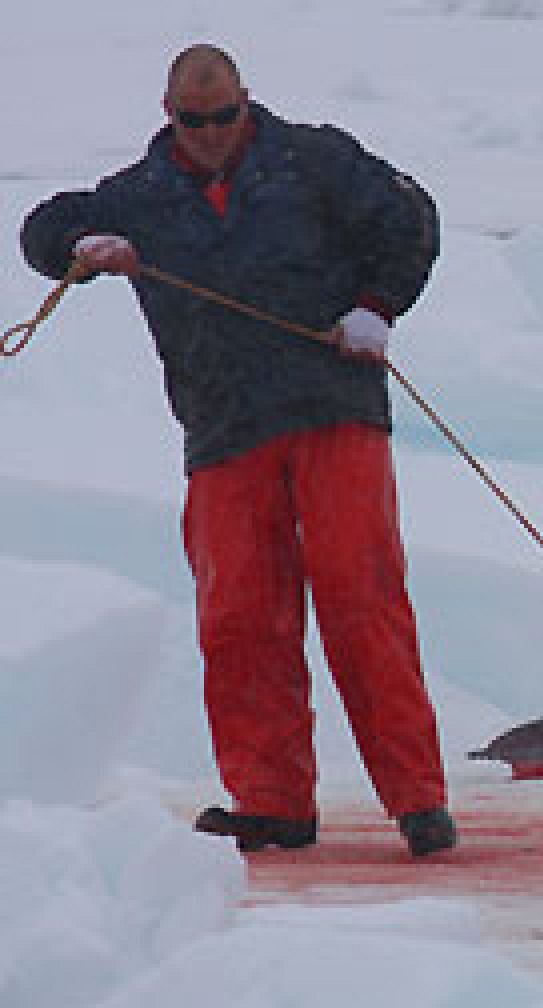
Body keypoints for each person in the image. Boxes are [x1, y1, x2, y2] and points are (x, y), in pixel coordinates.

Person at [19, 44, 457, 857]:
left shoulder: (316, 160)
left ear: (246, 103)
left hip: (332, 410)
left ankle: (418, 801)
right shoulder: (139, 197)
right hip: (224, 432)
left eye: (225, 116)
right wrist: (86, 246)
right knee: (241, 616)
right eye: (196, 119)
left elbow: (411, 221)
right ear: (169, 113)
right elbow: (43, 230)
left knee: (359, 595)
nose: (213, 133)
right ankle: (272, 804)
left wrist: (377, 308)